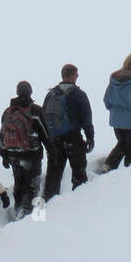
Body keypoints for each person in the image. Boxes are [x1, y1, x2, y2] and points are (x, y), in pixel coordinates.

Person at [0, 81, 52, 217]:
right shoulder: (35, 111)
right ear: (30, 92)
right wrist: (52, 151)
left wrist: (4, 155)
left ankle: (18, 209)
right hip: (32, 154)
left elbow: (2, 135)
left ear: (17, 92)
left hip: (13, 155)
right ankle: (29, 216)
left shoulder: (8, 112)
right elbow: (45, 134)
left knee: (19, 184)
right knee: (32, 185)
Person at [41, 64, 95, 199]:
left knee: (53, 175)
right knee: (79, 174)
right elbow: (86, 118)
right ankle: (79, 204)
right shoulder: (78, 94)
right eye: (77, 74)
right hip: (73, 138)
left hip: (54, 140)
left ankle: (49, 204)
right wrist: (90, 137)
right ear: (73, 76)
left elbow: (43, 116)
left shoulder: (51, 94)